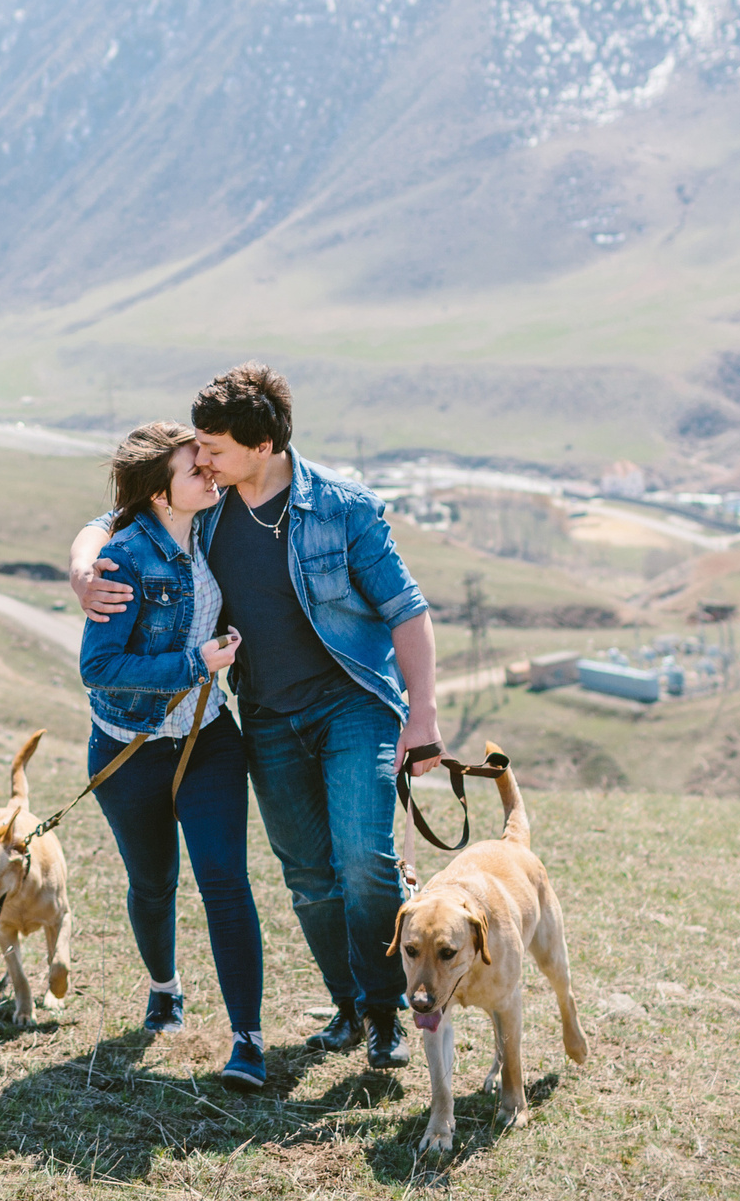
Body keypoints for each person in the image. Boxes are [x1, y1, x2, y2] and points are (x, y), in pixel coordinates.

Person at [70, 365, 440, 1071]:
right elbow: (119, 514)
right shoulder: (207, 504)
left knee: (365, 861)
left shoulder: (343, 507)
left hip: (353, 704)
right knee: (305, 874)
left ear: (262, 442)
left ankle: (387, 1010)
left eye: (212, 445)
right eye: (199, 449)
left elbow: (407, 611)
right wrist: (83, 567)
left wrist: (422, 717)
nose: (202, 457)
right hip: (267, 715)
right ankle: (348, 1004)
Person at [76, 421, 268, 1091]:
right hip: (128, 749)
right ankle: (165, 986)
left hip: (208, 735)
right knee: (154, 883)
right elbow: (99, 667)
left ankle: (248, 1039)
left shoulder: (212, 526)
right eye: (195, 468)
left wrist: (225, 643)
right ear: (161, 491)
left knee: (224, 879)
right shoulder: (125, 558)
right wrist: (196, 660)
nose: (209, 475)